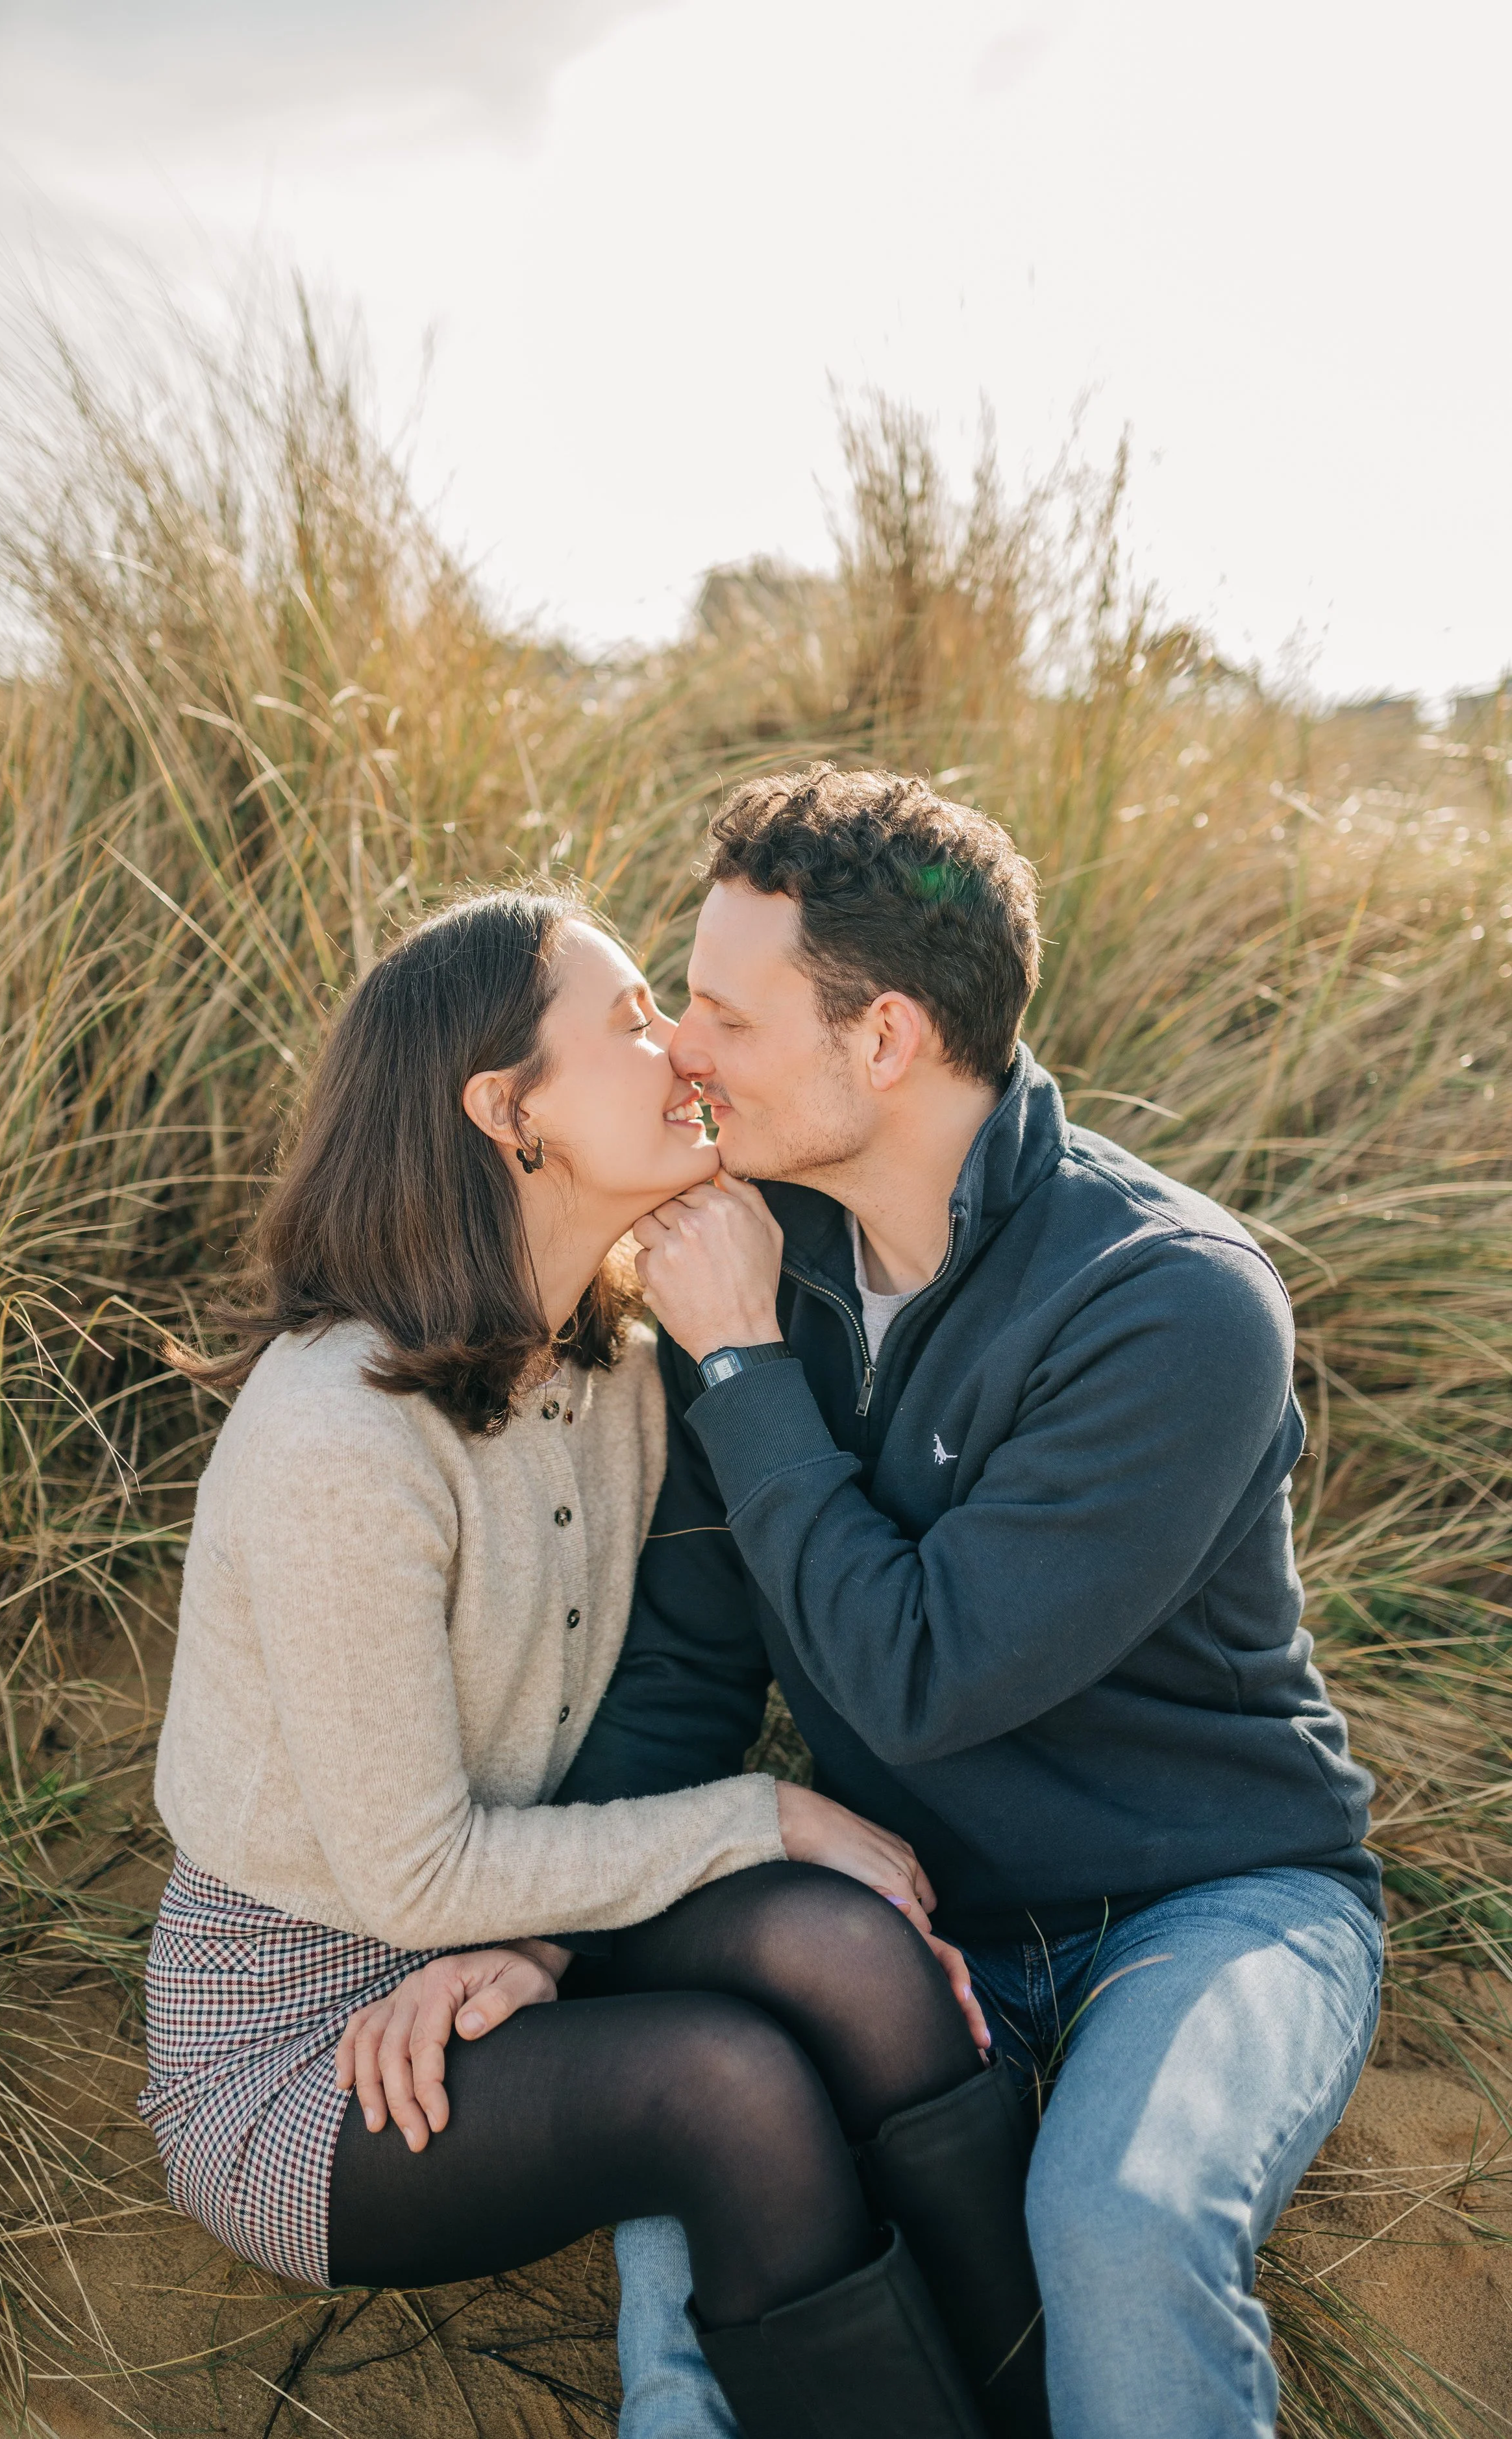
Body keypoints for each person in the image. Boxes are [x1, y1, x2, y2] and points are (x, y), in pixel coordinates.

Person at [138, 884, 1035, 2439]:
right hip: (306, 2044)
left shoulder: (630, 1357)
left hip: (535, 1918)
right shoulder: (337, 1439)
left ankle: (1036, 2399)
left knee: (848, 1952)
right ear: (508, 1112)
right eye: (626, 1024)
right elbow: (413, 1885)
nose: (679, 1044)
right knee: (722, 2091)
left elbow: (690, 1661)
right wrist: (766, 1816)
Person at [554, 766, 1386, 2439]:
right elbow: (685, 1670)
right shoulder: (758, 1251)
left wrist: (737, 1366)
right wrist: (540, 1932)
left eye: (722, 1008)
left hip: (1204, 1903)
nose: (683, 1052)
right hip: (903, 1911)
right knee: (679, 2168)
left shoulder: (1167, 1305)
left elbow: (924, 1674)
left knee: (1119, 2220)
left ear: (884, 1041)